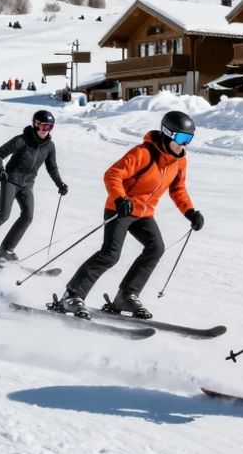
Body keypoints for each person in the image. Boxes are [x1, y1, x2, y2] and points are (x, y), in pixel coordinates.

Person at [58, 111, 203, 319]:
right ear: (167, 133)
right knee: (110, 255)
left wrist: (190, 212)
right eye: (181, 138)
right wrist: (119, 198)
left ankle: (126, 296)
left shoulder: (179, 160)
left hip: (144, 213)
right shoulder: (143, 153)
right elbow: (113, 174)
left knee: (156, 247)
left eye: (189, 139)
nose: (184, 145)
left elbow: (177, 189)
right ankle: (71, 296)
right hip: (121, 209)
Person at [0, 110, 67, 263]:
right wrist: (0, 171)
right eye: (44, 127)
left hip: (27, 184)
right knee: (3, 214)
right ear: (36, 124)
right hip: (10, 180)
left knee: (27, 217)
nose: (47, 131)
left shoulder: (49, 146)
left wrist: (60, 183)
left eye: (50, 128)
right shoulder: (22, 140)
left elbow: (52, 167)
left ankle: (5, 250)